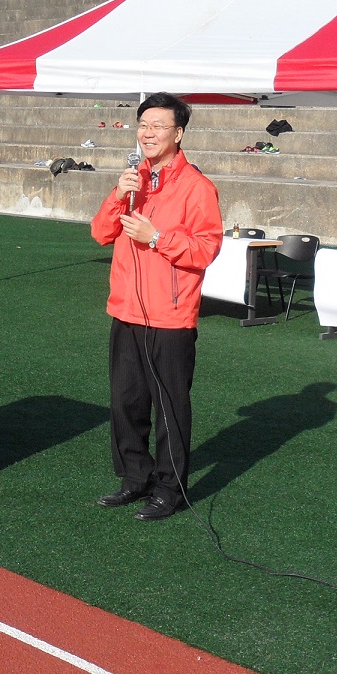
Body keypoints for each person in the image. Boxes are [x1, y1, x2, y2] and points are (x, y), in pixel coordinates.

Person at [90, 92, 223, 521]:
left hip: (169, 316)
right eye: (143, 125)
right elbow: (100, 233)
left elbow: (205, 249)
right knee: (125, 403)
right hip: (126, 310)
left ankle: (170, 488)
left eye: (158, 126)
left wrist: (157, 238)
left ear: (178, 134)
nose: (148, 133)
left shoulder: (197, 188)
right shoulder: (134, 180)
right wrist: (118, 194)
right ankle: (135, 476)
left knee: (169, 408)